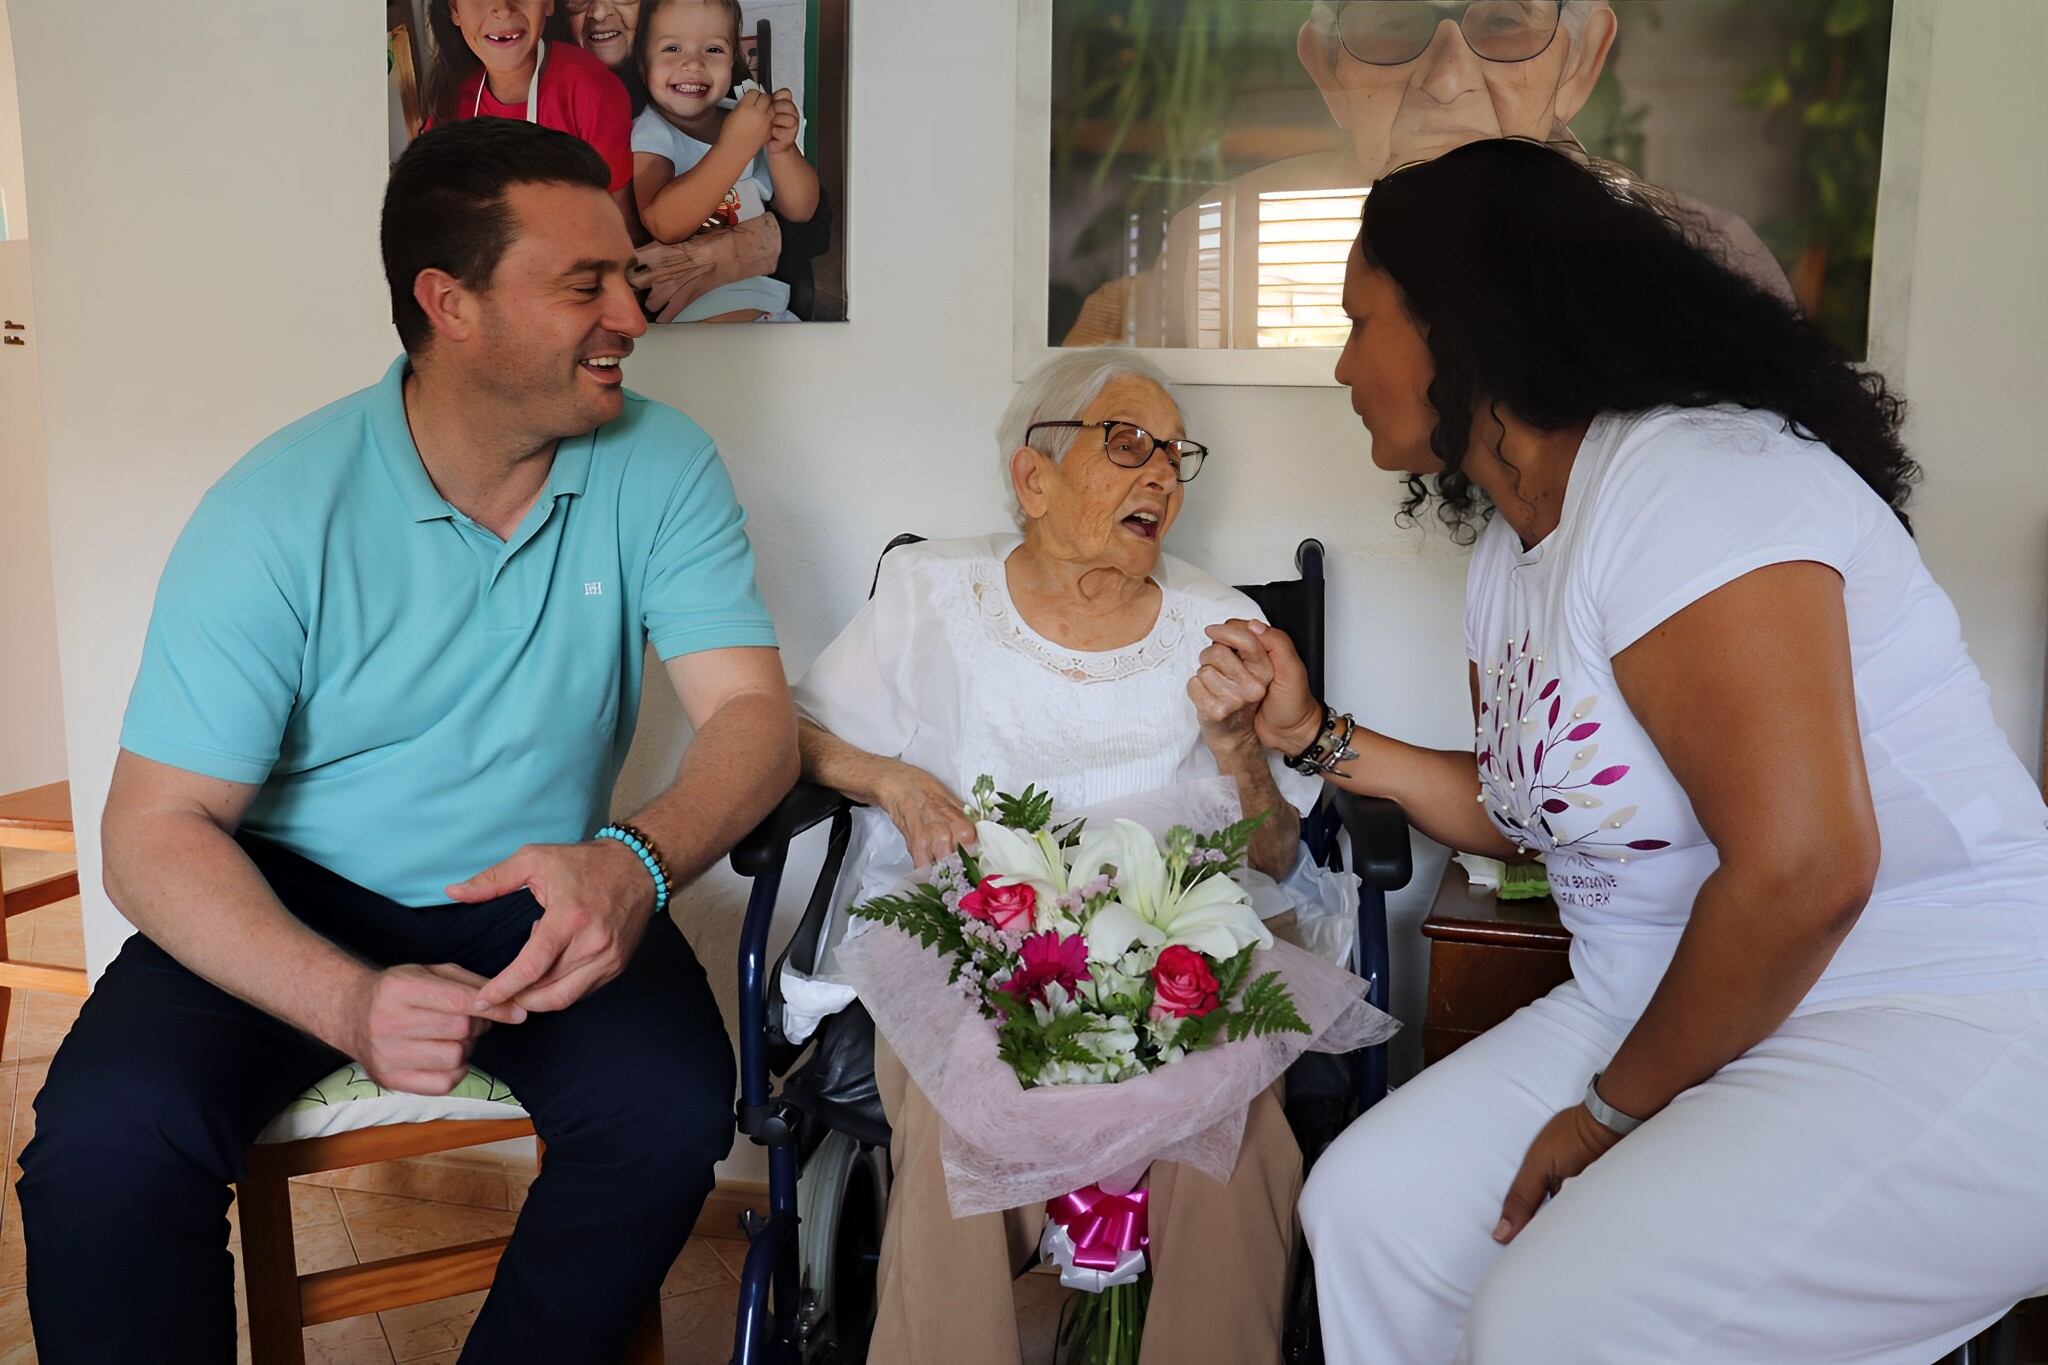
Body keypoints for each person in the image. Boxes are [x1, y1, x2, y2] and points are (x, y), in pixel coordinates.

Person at [1205, 138, 2048, 1362]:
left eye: (1358, 320)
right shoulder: (1514, 548)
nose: (1340, 365)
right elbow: (1532, 812)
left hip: (1939, 1013)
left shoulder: (1694, 481)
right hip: (1669, 999)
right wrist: (1313, 737)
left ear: (1460, 318)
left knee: (1559, 1316)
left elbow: (1805, 869)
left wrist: (1607, 1117)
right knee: (1370, 1211)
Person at [16, 119, 799, 1363]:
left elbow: (754, 722)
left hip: (546, 882)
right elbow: (154, 834)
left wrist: (634, 862)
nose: (631, 318)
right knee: (103, 1152)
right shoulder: (277, 509)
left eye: (626, 277)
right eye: (583, 284)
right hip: (290, 893)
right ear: (452, 305)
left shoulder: (663, 465)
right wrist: (347, 999)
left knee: (664, 1116)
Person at [791, 350, 1378, 1364]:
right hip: (967, 935)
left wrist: (1240, 750)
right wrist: (889, 779)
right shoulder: (931, 589)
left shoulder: (1221, 625)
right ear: (1033, 477)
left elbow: (1279, 857)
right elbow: (789, 732)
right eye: (1126, 444)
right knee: (953, 1124)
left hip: (1181, 942)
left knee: (1231, 1146)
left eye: (1174, 455)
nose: (1161, 475)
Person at [1061, 0, 1789, 349]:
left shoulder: (1701, 265)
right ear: (1327, 68)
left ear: (1582, 60)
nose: (1446, 80)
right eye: (1393, 22)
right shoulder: (1218, 254)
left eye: (1505, 22)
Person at [629, 0, 820, 322]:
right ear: (643, 65)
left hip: (769, 304)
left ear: (734, 61)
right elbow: (664, 223)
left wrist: (782, 149)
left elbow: (800, 210)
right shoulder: (651, 132)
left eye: (713, 50)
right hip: (695, 310)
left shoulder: (746, 118)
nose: (693, 63)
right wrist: (734, 147)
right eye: (672, 47)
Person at [424, 0, 639, 229]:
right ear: (455, 10)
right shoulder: (450, 103)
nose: (503, 8)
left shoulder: (589, 88)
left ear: (548, 3)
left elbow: (620, 227)